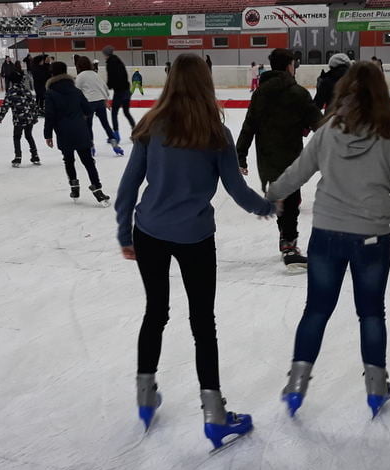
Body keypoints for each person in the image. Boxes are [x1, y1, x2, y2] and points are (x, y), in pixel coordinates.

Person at [265, 61, 390, 418]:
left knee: (316, 310)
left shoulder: (327, 131)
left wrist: (272, 194)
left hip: (326, 234)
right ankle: (376, 388)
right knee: (371, 313)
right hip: (371, 238)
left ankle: (296, 385)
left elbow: (297, 172)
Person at [114, 54, 274, 448]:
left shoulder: (150, 126)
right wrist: (266, 206)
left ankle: (145, 395)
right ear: (206, 82)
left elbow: (128, 187)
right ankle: (214, 414)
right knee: (203, 322)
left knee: (155, 312)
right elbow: (236, 189)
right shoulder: (215, 132)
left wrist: (124, 234)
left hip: (149, 231)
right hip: (195, 237)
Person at [237, 48, 323, 271]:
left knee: (282, 201)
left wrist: (240, 155)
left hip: (267, 159)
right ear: (288, 66)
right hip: (291, 158)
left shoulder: (260, 93)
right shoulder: (298, 93)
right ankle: (289, 246)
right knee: (291, 202)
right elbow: (319, 125)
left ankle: (286, 239)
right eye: (293, 64)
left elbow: (248, 126)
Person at [44, 61, 108, 205]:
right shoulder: (76, 91)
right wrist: (79, 118)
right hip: (80, 130)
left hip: (63, 132)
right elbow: (88, 110)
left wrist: (48, 135)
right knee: (88, 161)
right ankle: (97, 188)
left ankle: (74, 187)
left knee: (68, 160)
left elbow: (49, 115)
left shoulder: (50, 93)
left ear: (52, 73)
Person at [73, 56, 123, 156]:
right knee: (105, 124)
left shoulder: (80, 76)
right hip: (100, 101)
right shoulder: (95, 74)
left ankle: (91, 146)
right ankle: (114, 144)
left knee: (88, 125)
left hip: (88, 102)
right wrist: (106, 99)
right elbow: (104, 87)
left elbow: (76, 90)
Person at [0, 70, 41, 168]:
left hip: (18, 119)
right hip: (29, 118)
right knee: (29, 136)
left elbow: (5, 106)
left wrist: (0, 117)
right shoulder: (26, 90)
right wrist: (35, 116)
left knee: (17, 137)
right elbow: (33, 104)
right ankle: (35, 156)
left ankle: (18, 157)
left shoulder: (11, 92)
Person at [102, 46, 136, 140]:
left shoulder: (110, 63)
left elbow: (111, 77)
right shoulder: (119, 61)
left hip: (119, 91)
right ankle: (136, 131)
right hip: (126, 89)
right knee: (126, 112)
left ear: (106, 54)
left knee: (114, 113)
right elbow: (124, 75)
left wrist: (107, 86)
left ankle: (116, 135)